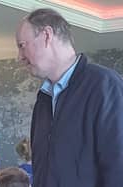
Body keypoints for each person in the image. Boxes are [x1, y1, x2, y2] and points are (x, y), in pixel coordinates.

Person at [16, 8, 123, 187]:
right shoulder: (43, 99)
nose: (19, 57)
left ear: (47, 35)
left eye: (21, 45)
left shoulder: (104, 86)